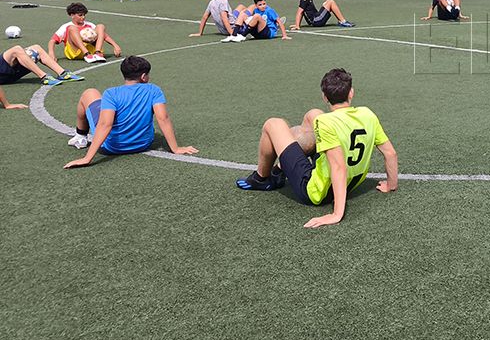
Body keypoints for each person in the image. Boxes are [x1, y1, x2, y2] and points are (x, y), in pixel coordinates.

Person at [234, 68, 399, 229]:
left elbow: (338, 167)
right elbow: (390, 153)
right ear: (351, 93)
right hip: (351, 183)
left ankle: (262, 179)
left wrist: (336, 214)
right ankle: (280, 168)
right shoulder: (367, 114)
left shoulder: (326, 123)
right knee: (313, 114)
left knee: (274, 124)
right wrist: (391, 184)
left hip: (316, 191)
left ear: (325, 97)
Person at [63, 56, 197, 168]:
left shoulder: (111, 93)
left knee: (89, 93)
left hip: (112, 147)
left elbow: (105, 124)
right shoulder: (154, 90)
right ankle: (80, 137)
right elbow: (163, 118)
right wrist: (176, 148)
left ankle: (80, 137)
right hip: (143, 144)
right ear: (144, 76)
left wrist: (87, 158)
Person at [48, 2, 122, 64]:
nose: (83, 17)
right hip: (75, 52)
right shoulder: (66, 26)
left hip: (91, 49)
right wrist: (51, 54)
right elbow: (52, 41)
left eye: (84, 15)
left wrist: (115, 46)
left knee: (100, 26)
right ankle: (86, 54)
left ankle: (98, 53)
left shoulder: (89, 25)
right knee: (72, 28)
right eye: (80, 15)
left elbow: (104, 35)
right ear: (72, 15)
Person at [1, 44, 82, 87]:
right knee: (16, 50)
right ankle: (44, 77)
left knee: (36, 47)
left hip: (9, 73)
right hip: (3, 75)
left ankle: (63, 73)